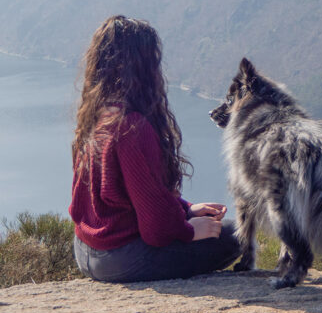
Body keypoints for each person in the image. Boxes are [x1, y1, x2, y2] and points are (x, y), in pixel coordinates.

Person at [69, 15, 240, 282]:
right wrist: (189, 230)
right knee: (233, 235)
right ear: (144, 66)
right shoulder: (132, 127)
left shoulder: (95, 115)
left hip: (85, 250)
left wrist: (185, 210)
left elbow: (133, 198)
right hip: (122, 259)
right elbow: (156, 230)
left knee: (216, 228)